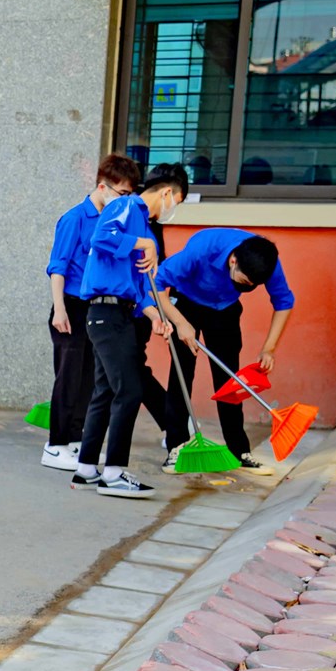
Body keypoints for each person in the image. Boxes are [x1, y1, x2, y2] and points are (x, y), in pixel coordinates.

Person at [72, 162, 189, 499]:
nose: (172, 209)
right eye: (177, 201)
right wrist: (144, 243)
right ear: (166, 193)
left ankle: (86, 468)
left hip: (118, 313)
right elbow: (101, 237)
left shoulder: (146, 230)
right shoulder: (126, 205)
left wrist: (154, 316)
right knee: (130, 389)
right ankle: (113, 474)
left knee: (107, 391)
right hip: (106, 313)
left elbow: (138, 288)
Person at [157, 229, 294, 471]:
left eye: (253, 285)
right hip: (186, 302)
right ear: (233, 261)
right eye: (244, 281)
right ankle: (176, 446)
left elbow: (284, 302)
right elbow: (155, 284)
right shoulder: (201, 250)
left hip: (224, 308)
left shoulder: (266, 260)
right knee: (181, 374)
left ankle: (238, 450)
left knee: (230, 381)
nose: (249, 286)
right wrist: (179, 322)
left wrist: (269, 349)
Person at [41, 154, 140, 471]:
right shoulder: (74, 219)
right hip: (69, 305)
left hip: (94, 308)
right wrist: (59, 310)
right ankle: (55, 445)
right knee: (68, 377)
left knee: (89, 378)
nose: (125, 200)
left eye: (130, 195)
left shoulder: (111, 222)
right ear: (102, 187)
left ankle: (75, 439)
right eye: (122, 193)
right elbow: (57, 267)